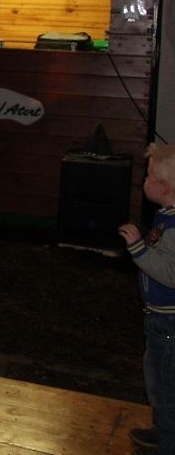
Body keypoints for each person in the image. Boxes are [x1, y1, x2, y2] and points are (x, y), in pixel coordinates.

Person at [119, 143, 175, 455]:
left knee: (165, 382)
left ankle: (168, 444)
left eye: (150, 175)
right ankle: (162, 430)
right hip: (160, 318)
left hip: (169, 322)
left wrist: (138, 249)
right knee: (159, 377)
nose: (145, 180)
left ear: (164, 187)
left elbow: (170, 273)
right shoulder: (166, 217)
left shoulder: (174, 227)